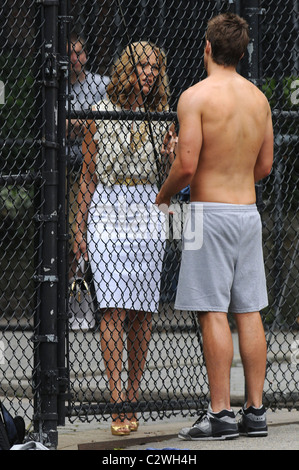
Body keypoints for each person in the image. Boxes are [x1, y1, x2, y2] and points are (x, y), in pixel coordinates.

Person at [155, 13, 274, 441]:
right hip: (247, 213)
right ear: (242, 53)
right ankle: (256, 411)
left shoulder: (195, 97)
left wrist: (163, 195)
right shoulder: (259, 99)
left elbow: (186, 165)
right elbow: (265, 166)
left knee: (213, 311)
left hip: (209, 213)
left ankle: (222, 414)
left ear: (207, 47)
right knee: (250, 310)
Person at [73, 41, 174, 435]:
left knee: (144, 311)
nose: (149, 72)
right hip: (109, 205)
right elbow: (87, 176)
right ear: (127, 69)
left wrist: (172, 155)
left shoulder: (162, 117)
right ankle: (118, 400)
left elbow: (171, 177)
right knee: (113, 306)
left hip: (149, 204)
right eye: (142, 66)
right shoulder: (101, 113)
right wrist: (79, 227)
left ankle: (133, 393)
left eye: (154, 67)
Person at [68, 34, 109, 279]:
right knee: (70, 230)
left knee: (90, 232)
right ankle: (70, 291)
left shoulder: (102, 84)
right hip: (65, 163)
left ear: (87, 55)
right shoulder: (55, 85)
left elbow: (107, 121)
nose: (75, 58)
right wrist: (85, 124)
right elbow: (52, 125)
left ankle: (83, 293)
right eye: (70, 54)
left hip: (94, 166)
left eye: (79, 52)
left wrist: (81, 124)